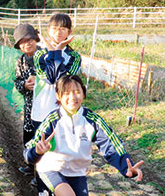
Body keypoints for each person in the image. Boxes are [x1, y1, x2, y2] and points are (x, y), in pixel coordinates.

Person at [24, 75, 144, 196]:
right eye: (66, 93)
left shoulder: (92, 120)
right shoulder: (52, 121)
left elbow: (111, 145)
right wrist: (37, 152)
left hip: (77, 173)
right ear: (58, 96)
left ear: (83, 93)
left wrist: (127, 168)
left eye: (77, 92)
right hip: (51, 169)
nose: (72, 97)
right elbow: (29, 151)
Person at [30, 13, 81, 192]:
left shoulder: (74, 57)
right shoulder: (39, 55)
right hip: (41, 112)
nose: (59, 32)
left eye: (63, 28)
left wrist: (57, 52)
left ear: (69, 32)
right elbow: (50, 78)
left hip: (63, 114)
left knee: (61, 153)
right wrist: (54, 52)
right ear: (48, 30)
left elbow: (63, 81)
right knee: (42, 152)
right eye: (55, 28)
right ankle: (42, 187)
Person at [13, 24, 41, 178]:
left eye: (29, 40)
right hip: (30, 105)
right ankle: (30, 165)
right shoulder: (20, 61)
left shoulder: (44, 56)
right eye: (22, 42)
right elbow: (17, 81)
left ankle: (42, 172)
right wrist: (24, 85)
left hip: (45, 106)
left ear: (35, 39)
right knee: (29, 135)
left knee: (43, 135)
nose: (27, 44)